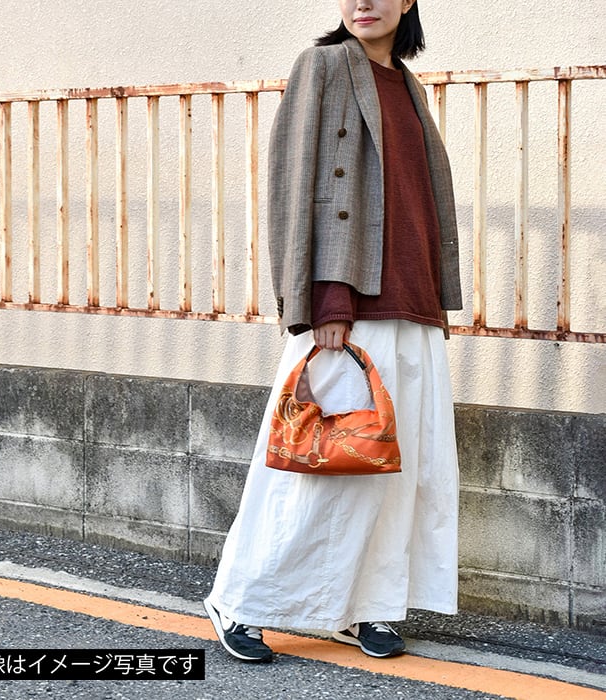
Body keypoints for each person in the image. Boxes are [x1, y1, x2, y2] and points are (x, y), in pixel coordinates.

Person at [204, 0, 463, 663]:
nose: (362, 2)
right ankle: (241, 599)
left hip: (412, 305)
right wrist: (325, 299)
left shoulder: (407, 84)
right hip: (348, 306)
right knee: (311, 471)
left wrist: (433, 299)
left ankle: (367, 608)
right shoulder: (322, 67)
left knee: (393, 478)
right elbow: (297, 185)